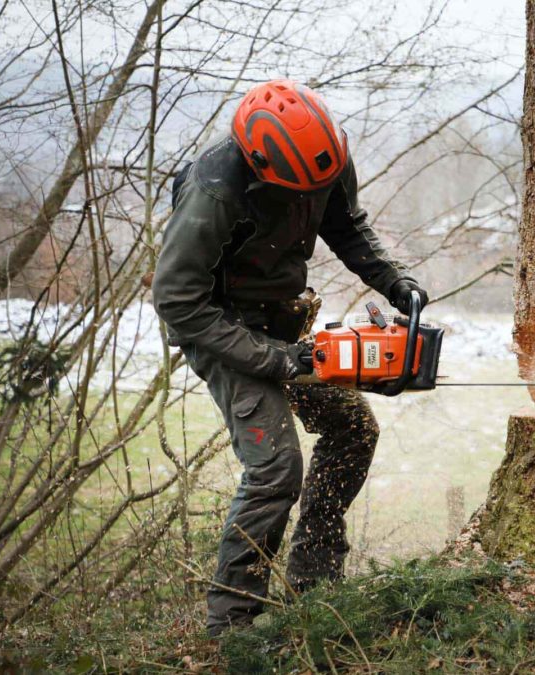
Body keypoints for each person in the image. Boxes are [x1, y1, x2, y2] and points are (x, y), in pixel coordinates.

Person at [151, 79, 428, 636]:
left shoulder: (324, 161)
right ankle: (232, 628)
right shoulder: (215, 192)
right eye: (298, 190)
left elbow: (345, 225)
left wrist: (397, 285)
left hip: (285, 320)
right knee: (276, 468)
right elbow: (178, 301)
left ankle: (315, 579)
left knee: (353, 429)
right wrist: (279, 361)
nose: (312, 195)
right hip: (223, 330)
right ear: (261, 164)